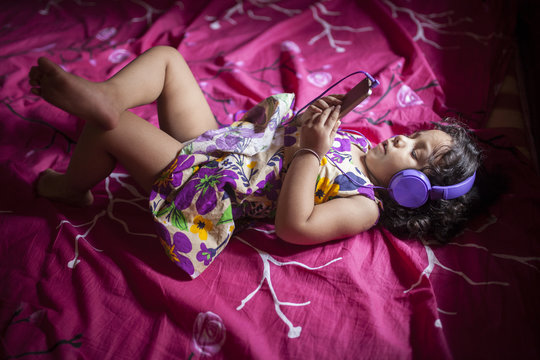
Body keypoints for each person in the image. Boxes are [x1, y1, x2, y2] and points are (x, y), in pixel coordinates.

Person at [29, 46, 481, 278]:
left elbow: (294, 226)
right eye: (415, 135)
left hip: (210, 186)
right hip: (223, 144)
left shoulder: (364, 205)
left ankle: (72, 187)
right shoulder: (359, 145)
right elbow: (286, 135)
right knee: (169, 61)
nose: (403, 137)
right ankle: (107, 94)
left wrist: (311, 151)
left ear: (412, 191)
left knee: (114, 128)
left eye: (415, 152)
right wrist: (325, 117)